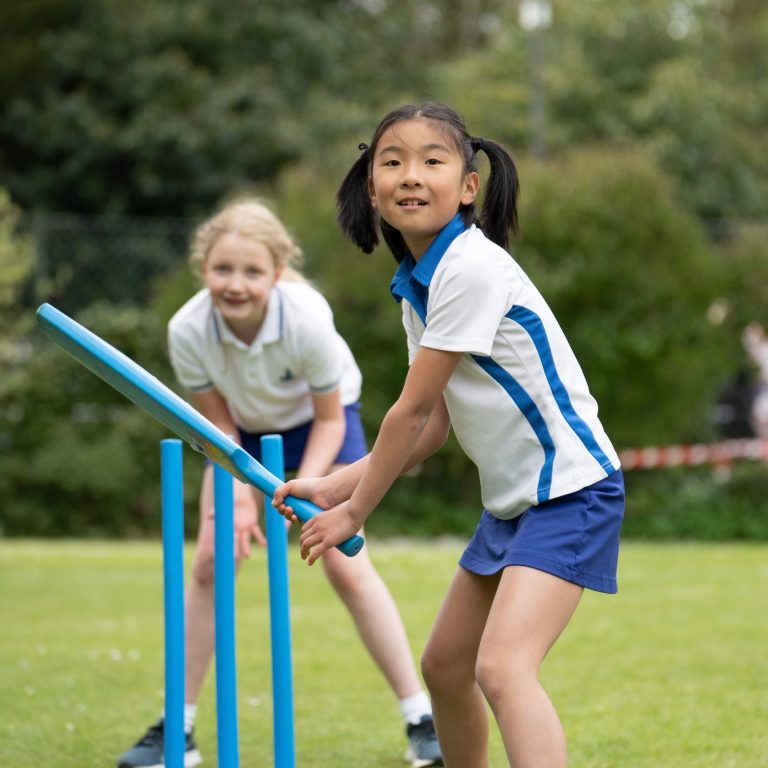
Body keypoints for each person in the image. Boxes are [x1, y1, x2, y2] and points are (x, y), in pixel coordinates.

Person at [272, 103, 625, 768]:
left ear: (468, 186)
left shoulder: (469, 268)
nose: (411, 175)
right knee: (444, 665)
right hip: (514, 504)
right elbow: (432, 428)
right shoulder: (419, 283)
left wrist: (353, 509)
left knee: (502, 667)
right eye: (393, 161)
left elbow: (411, 412)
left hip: (572, 491)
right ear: (370, 185)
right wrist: (332, 481)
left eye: (432, 161)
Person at [117, 198, 442, 768]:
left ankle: (421, 720)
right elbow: (217, 423)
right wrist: (240, 492)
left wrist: (306, 487)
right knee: (212, 560)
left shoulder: (306, 317)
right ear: (204, 270)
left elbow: (330, 418)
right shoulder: (188, 329)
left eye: (251, 272)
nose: (235, 284)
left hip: (323, 428)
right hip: (238, 434)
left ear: (276, 271)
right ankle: (178, 728)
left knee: (344, 561)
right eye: (222, 270)